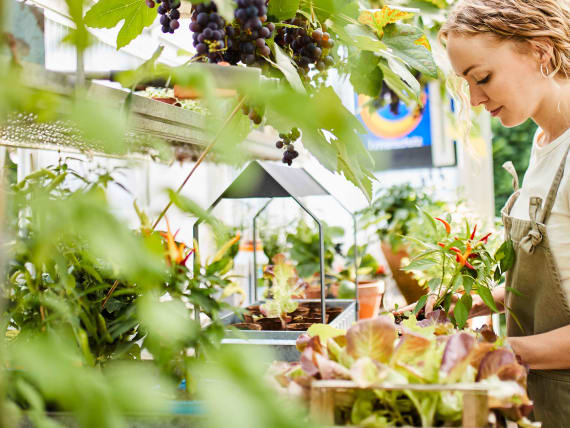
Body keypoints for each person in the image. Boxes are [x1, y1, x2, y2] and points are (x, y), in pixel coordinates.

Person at [394, 1, 570, 426]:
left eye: (483, 77)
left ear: (540, 52)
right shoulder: (545, 143)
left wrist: (489, 354)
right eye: (467, 82)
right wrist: (469, 302)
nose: (473, 98)